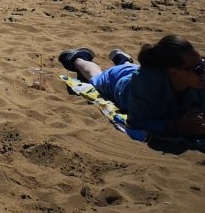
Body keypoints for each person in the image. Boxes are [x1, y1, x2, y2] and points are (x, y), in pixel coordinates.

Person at [59, 36, 205, 143]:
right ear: (174, 72)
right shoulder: (146, 85)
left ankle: (122, 60)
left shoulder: (197, 81)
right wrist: (175, 126)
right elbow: (136, 121)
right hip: (118, 81)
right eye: (198, 69)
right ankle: (77, 58)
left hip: (135, 71)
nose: (203, 72)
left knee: (128, 68)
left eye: (203, 65)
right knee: (96, 77)